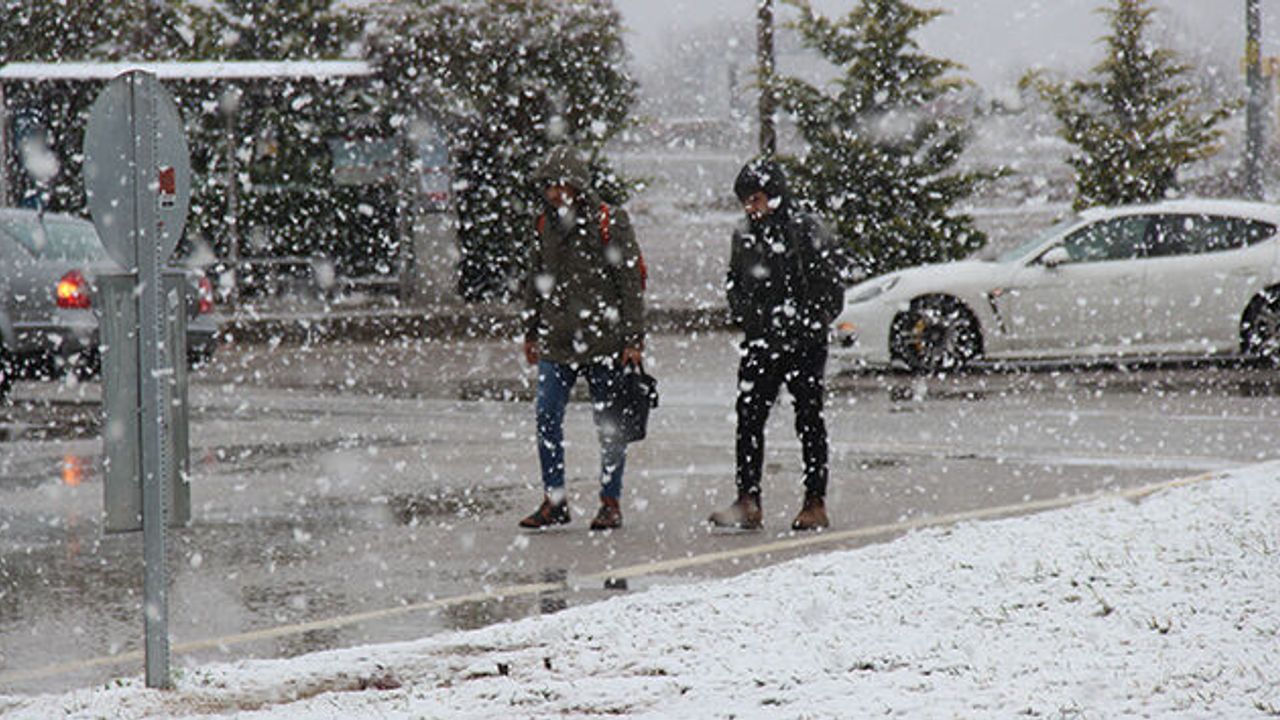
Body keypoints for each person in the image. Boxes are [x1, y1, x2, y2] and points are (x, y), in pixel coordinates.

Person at [709, 158, 844, 531]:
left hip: (804, 344)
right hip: (760, 342)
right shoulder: (745, 235)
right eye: (746, 202)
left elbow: (831, 289)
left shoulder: (806, 230)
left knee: (809, 420)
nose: (751, 209)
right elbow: (736, 281)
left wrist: (804, 324)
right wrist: (750, 319)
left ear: (774, 195)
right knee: (749, 419)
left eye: (756, 199)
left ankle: (815, 500)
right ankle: (748, 499)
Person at [519, 146, 645, 531]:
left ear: (577, 184)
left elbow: (630, 283)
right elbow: (535, 280)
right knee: (546, 417)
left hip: (604, 343)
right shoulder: (544, 224)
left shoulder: (610, 221)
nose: (555, 193)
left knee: (610, 425)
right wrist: (530, 329)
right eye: (549, 186)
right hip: (557, 342)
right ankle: (554, 500)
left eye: (561, 185)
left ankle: (610, 500)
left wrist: (633, 341)